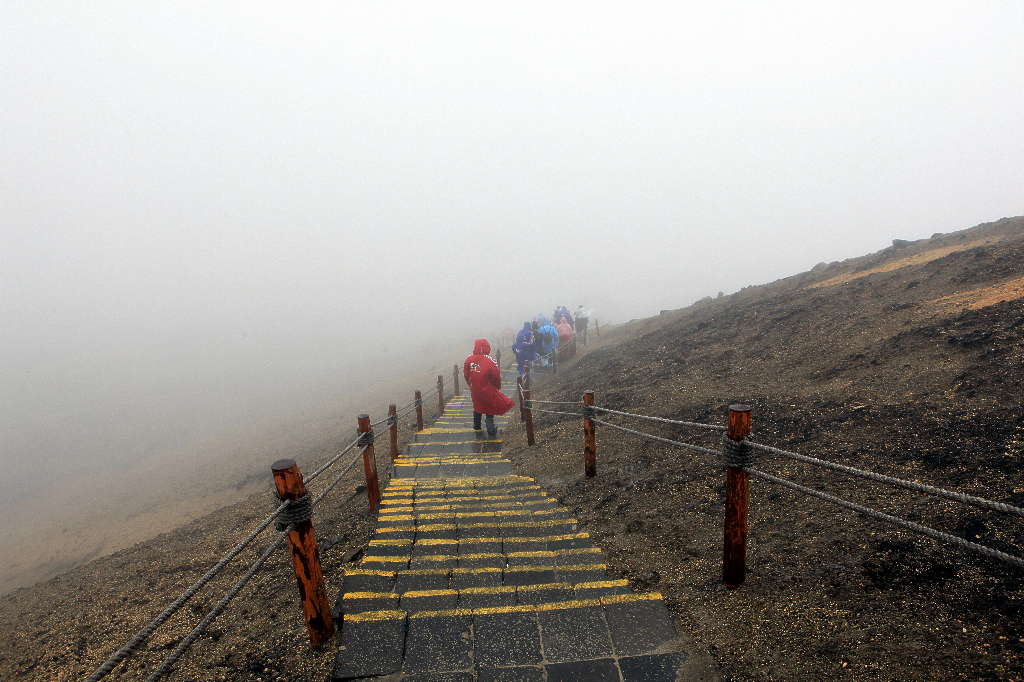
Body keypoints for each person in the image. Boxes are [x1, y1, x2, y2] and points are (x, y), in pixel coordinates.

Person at [463, 338, 514, 437]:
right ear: (487, 347)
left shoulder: (469, 359)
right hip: (488, 388)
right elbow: (496, 376)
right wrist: (497, 386)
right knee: (489, 406)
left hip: (475, 389)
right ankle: (490, 429)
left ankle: (477, 425)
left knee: (477, 405)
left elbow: (466, 374)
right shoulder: (490, 360)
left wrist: (470, 384)